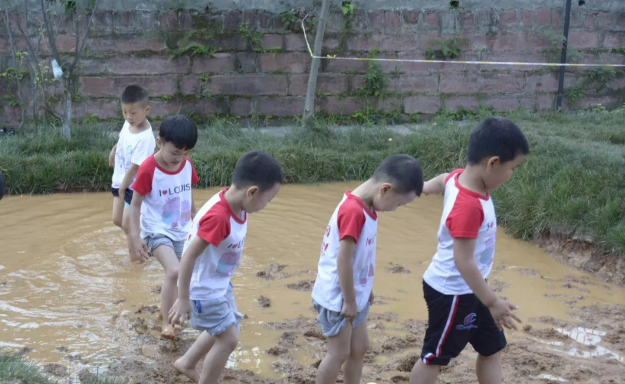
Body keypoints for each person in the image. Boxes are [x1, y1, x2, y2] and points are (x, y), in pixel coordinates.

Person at [409, 116, 529, 384]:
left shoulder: (460, 178)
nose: (513, 175)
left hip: (473, 288)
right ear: (493, 163)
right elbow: (463, 262)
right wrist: (493, 302)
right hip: (452, 292)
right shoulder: (468, 207)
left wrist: (424, 188)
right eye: (513, 168)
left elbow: (443, 180)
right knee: (434, 357)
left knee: (492, 348)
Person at [167, 150, 283, 384]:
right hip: (203, 291)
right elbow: (188, 256)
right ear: (252, 192)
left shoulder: (236, 203)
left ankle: (187, 362)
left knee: (228, 324)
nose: (267, 205)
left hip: (218, 283)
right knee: (229, 339)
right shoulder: (219, 217)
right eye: (268, 200)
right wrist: (182, 298)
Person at [311, 154, 424, 384]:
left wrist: (366, 288)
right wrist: (350, 299)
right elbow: (343, 260)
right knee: (338, 353)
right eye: (399, 203)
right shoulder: (353, 211)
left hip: (355, 293)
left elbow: (361, 256)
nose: (396, 209)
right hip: (339, 298)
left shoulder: (368, 206)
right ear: (385, 189)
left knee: (360, 347)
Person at [125, 115, 199, 340]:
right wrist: (135, 237)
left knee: (187, 275)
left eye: (186, 153)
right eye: (175, 153)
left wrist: (197, 223)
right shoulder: (149, 168)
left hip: (183, 230)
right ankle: (167, 324)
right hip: (156, 231)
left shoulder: (187, 164)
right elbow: (135, 205)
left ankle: (167, 311)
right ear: (160, 143)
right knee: (175, 271)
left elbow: (189, 195)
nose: (180, 158)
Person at [109, 85, 155, 229]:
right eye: (125, 112)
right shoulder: (128, 123)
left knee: (129, 225)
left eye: (133, 113)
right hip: (120, 179)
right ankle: (143, 237)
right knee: (117, 219)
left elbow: (136, 168)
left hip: (133, 186)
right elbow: (123, 138)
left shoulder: (145, 138)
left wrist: (123, 188)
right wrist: (114, 149)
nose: (129, 117)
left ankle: (142, 244)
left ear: (146, 110)